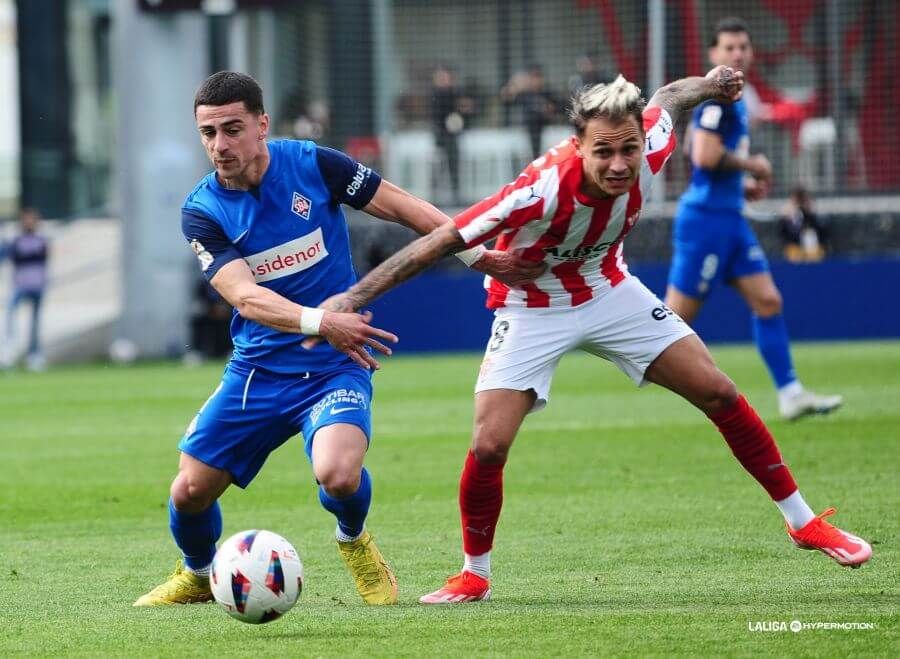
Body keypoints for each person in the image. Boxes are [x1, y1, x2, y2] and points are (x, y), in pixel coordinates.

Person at [306, 65, 872, 604]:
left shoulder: (648, 144)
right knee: (489, 444)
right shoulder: (538, 190)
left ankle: (803, 523)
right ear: (579, 146)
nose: (621, 163)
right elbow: (440, 240)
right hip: (531, 306)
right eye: (604, 151)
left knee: (719, 391)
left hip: (608, 289)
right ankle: (474, 574)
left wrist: (712, 84)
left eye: (627, 148)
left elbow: (669, 98)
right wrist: (352, 300)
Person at [133, 71, 541, 608]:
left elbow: (403, 207)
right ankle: (198, 573)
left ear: (262, 124)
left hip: (333, 365)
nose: (219, 145)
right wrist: (322, 321)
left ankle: (353, 540)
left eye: (232, 129)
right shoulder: (203, 210)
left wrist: (478, 256)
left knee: (339, 474)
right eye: (208, 133)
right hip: (258, 369)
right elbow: (246, 298)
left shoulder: (313, 164)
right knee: (188, 491)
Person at [664, 17, 841, 421]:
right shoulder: (715, 98)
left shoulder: (737, 97)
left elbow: (697, 148)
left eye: (742, 47)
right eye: (728, 48)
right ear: (713, 54)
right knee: (672, 322)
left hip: (729, 218)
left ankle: (791, 392)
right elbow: (704, 155)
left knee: (768, 300)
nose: (737, 54)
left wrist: (739, 187)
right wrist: (754, 166)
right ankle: (619, 348)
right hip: (706, 222)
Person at [1, 207, 49, 371]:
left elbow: (40, 260)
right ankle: (9, 349)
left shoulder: (41, 240)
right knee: (10, 314)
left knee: (35, 323)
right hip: (19, 285)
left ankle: (34, 354)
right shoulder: (15, 241)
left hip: (37, 286)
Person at [501, 64, 560, 159]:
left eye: (538, 77)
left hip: (547, 131)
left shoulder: (547, 92)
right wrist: (514, 84)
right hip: (527, 131)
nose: (536, 80)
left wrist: (548, 109)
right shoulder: (525, 94)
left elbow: (558, 108)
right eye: (533, 77)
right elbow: (506, 99)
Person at [779, 185, 828, 262]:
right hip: (794, 246)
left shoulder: (812, 212)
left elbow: (823, 231)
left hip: (814, 246)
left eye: (803, 198)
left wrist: (811, 211)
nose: (800, 202)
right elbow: (784, 233)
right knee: (794, 254)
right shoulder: (789, 212)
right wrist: (788, 218)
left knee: (815, 255)